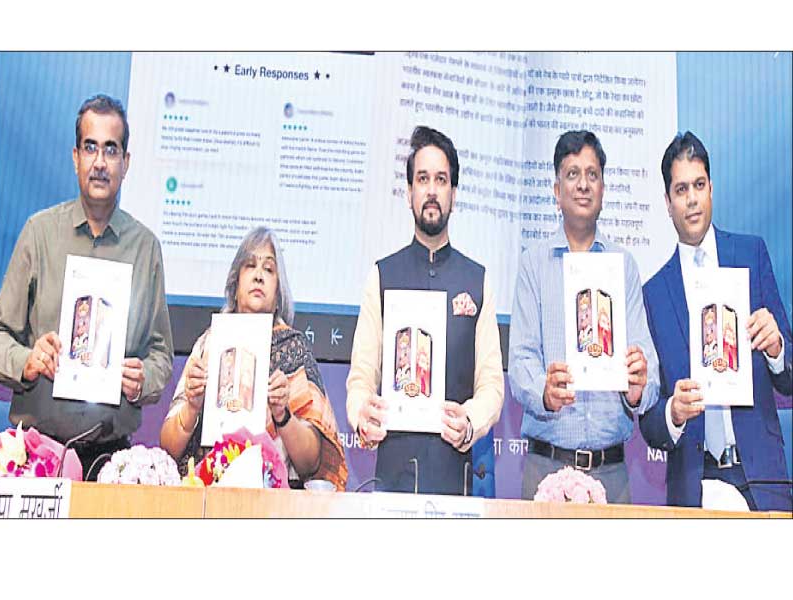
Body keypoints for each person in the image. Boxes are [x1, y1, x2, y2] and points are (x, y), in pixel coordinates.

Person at [0, 94, 174, 479]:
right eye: (90, 147)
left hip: (111, 461)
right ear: (75, 157)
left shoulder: (145, 249)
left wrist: (143, 379)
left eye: (111, 149)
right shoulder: (39, 233)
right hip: (35, 457)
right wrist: (26, 361)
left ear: (126, 163)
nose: (100, 162)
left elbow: (160, 354)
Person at [346, 126, 504, 495]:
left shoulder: (477, 280)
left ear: (454, 194)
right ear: (409, 193)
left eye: (441, 180)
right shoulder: (383, 276)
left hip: (456, 481)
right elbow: (361, 377)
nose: (432, 190)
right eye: (422, 179)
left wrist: (469, 421)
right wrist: (362, 413)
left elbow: (491, 385)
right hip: (393, 480)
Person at [639, 131, 792, 511]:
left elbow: (788, 378)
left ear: (711, 189)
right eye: (680, 189)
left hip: (763, 479)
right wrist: (673, 412)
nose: (691, 199)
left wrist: (776, 349)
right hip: (694, 487)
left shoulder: (751, 255)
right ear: (667, 202)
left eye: (699, 185)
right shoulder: (654, 294)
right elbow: (649, 419)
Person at [508, 130, 659, 504]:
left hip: (613, 474)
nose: (583, 185)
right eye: (572, 174)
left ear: (603, 190)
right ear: (556, 191)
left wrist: (638, 388)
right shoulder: (533, 264)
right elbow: (521, 360)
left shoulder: (623, 266)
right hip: (546, 466)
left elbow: (648, 366)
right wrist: (544, 391)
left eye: (593, 174)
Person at [159, 226, 348, 491]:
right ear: (235, 285)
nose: (259, 275)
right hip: (209, 495)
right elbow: (169, 448)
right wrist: (191, 406)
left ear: (278, 295)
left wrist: (283, 415)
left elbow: (310, 463)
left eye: (269, 269)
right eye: (250, 266)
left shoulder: (294, 349)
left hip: (273, 500)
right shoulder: (209, 343)